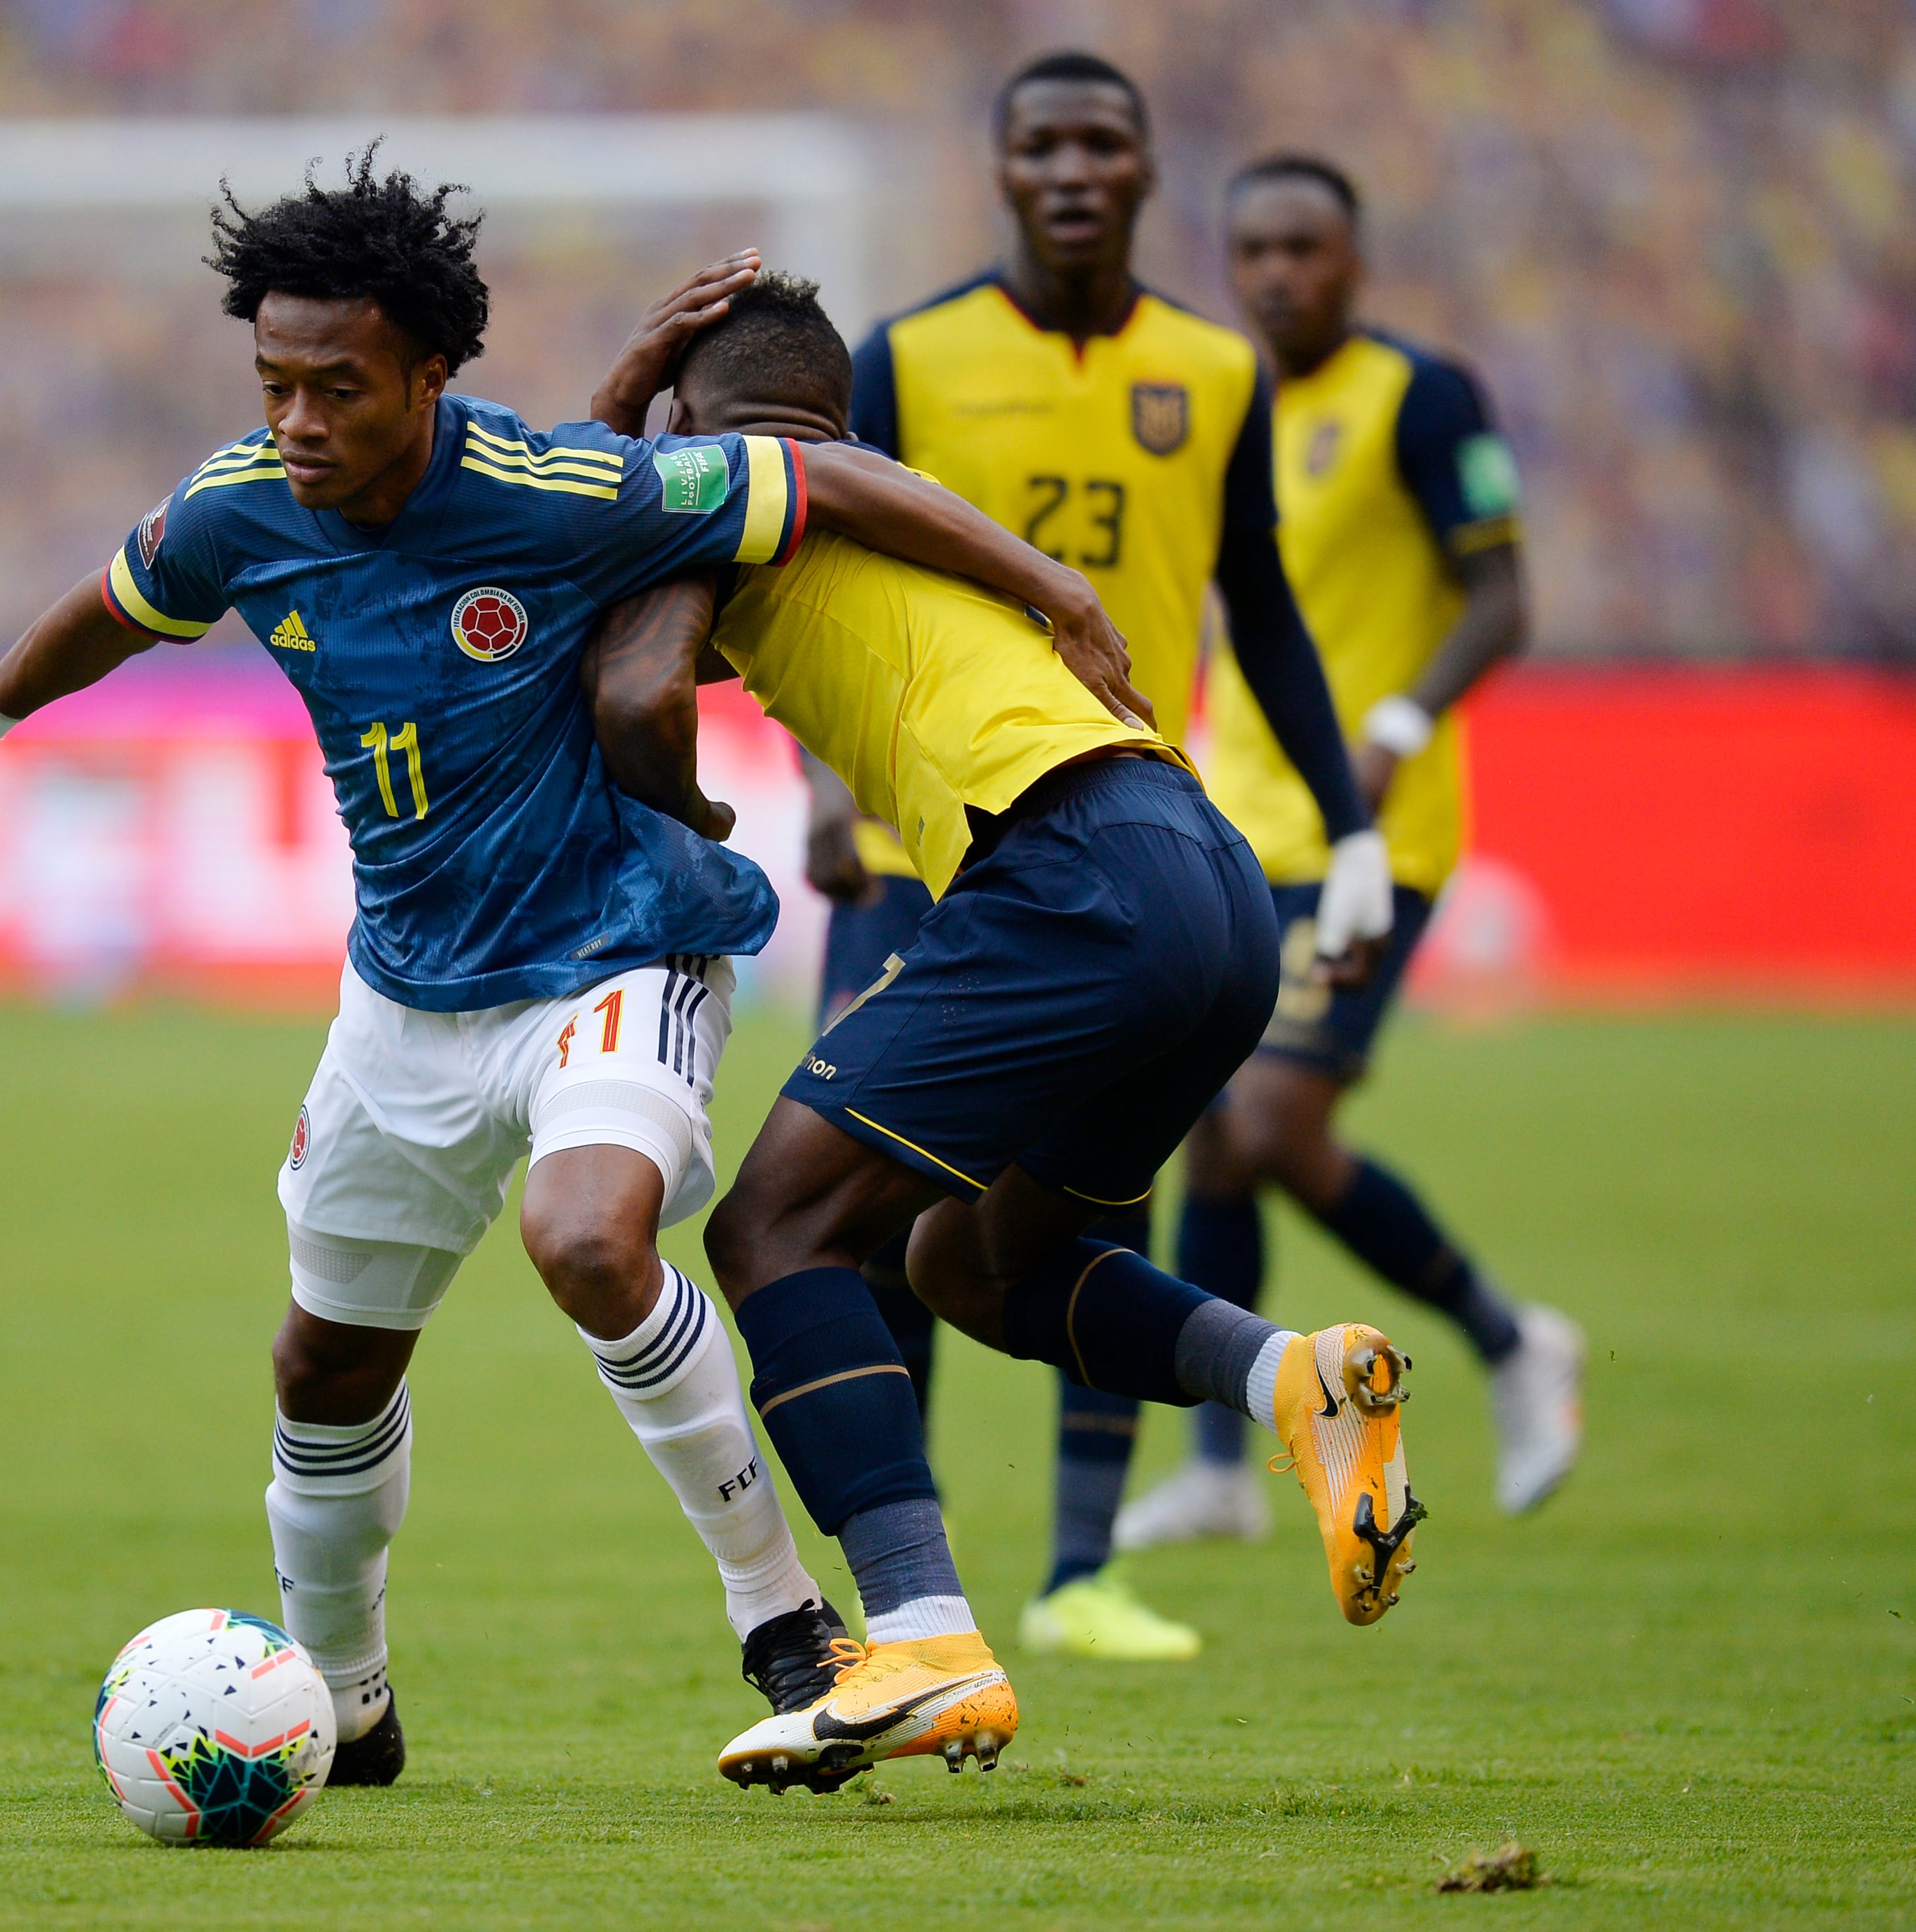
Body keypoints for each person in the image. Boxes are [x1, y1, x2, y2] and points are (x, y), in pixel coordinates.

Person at [0, 154, 1151, 1787]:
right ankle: (342, 1700)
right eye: (275, 383)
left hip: (611, 948)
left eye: (339, 386)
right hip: (404, 994)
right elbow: (117, 607)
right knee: (322, 1363)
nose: (301, 419)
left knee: (588, 1236)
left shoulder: (557, 494)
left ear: (427, 374)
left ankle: (785, 1623)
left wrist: (1052, 587)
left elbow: (807, 482)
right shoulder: (240, 505)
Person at [581, 266, 1428, 1794]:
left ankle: (919, 1639)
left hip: (1067, 872)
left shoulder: (731, 490)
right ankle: (1291, 1378)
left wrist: (694, 821)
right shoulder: (858, 499)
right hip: (1204, 878)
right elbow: (629, 602)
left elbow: (633, 680)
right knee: (974, 1258)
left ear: (695, 422)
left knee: (772, 1225)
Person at [844, 49, 1398, 1660]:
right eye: (1042, 145)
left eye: (1103, 142)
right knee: (871, 1203)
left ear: (1150, 170)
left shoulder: (1215, 371)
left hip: (1116, 832)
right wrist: (822, 784)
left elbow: (1266, 609)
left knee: (1094, 1192)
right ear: (1001, 171)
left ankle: (1083, 1570)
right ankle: (912, 1577)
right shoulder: (913, 356)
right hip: (912, 832)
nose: (1073, 169)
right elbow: (833, 578)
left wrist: (1350, 821)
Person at [1112, 156, 1581, 1552]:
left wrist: (1390, 724)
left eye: (1303, 247)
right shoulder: (1220, 405)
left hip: (1374, 829)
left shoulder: (1419, 395)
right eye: (1252, 247)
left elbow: (1504, 595)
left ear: (1353, 260)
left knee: (1275, 1122)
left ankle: (1509, 1336)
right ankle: (1212, 1467)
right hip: (1232, 818)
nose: (1275, 273)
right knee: (1207, 1132)